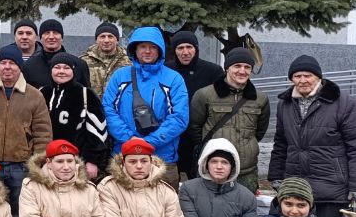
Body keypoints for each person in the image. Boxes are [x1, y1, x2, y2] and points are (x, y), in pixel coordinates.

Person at [268, 56, 356, 217]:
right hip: (297, 188)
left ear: (319, 77)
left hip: (332, 190)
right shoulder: (285, 104)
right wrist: (276, 177)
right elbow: (281, 143)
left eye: (308, 75)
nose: (302, 80)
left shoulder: (345, 103)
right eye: (297, 76)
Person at [102, 26, 189, 188]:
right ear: (134, 49)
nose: (147, 51)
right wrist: (129, 139)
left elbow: (179, 117)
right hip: (124, 156)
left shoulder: (173, 79)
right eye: (142, 46)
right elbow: (108, 110)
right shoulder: (120, 77)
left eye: (152, 47)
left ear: (160, 50)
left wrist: (149, 142)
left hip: (161, 159)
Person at [0, 45, 53, 217]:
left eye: (12, 63)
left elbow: (43, 132)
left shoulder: (34, 95)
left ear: (20, 66)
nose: (7, 67)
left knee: (20, 213)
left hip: (21, 165)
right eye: (3, 63)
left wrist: (38, 164)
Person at [187, 47, 269, 193]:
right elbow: (194, 128)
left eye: (247, 67)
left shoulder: (260, 98)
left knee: (244, 206)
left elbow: (259, 131)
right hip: (213, 170)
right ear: (227, 68)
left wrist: (247, 146)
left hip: (246, 171)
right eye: (237, 66)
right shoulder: (204, 95)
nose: (242, 71)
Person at [39, 52, 110, 181]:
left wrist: (92, 161)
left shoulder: (86, 94)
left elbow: (98, 131)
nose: (61, 71)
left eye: (66, 68)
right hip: (46, 161)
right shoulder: (42, 93)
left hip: (77, 162)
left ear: (73, 71)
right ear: (51, 70)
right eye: (57, 67)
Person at [169, 30, 225, 179]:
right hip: (172, 138)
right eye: (180, 48)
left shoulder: (213, 71)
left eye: (189, 47)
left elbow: (225, 100)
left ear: (196, 49)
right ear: (174, 50)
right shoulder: (166, 70)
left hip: (200, 138)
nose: (185, 52)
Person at [21, 19, 91, 90]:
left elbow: (86, 93)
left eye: (55, 33)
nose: (51, 37)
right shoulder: (29, 66)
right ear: (40, 38)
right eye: (47, 33)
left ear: (62, 37)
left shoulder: (79, 65)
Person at [81, 22, 129, 99]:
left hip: (119, 105)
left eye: (110, 36)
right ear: (96, 40)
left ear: (117, 40)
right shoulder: (83, 61)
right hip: (93, 105)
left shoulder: (129, 61)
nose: (106, 40)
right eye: (102, 36)